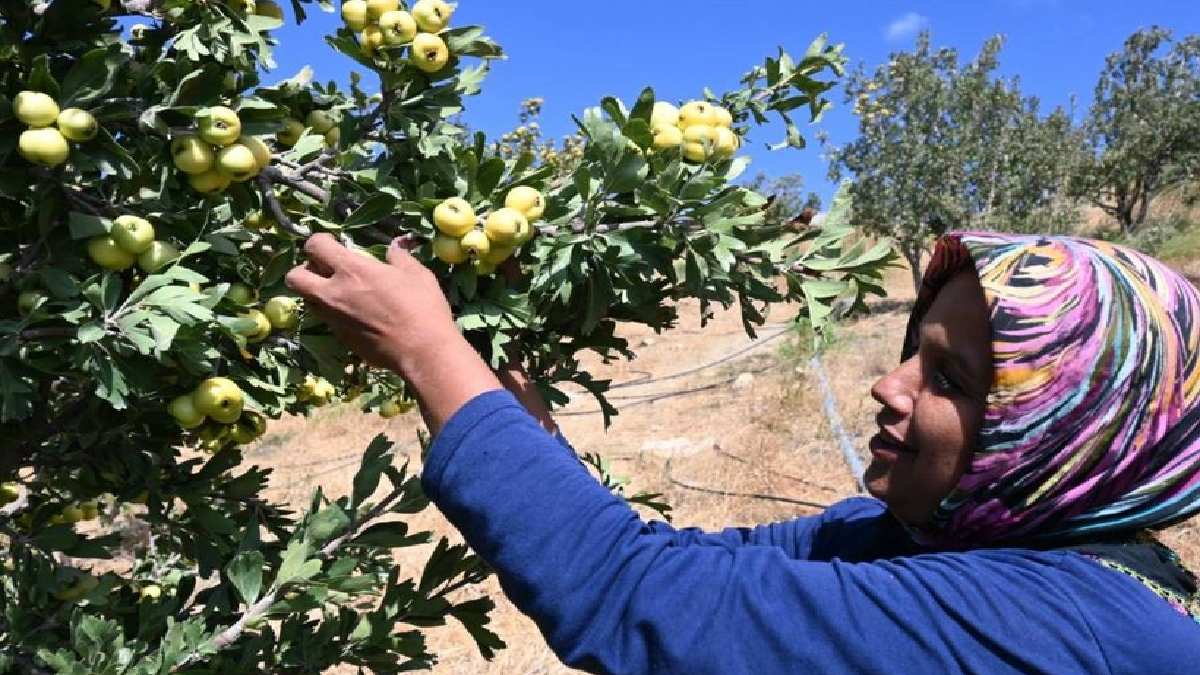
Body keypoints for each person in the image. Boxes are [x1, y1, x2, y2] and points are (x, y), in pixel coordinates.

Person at [285, 231, 1200, 674]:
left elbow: (640, 599)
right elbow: (681, 562)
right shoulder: (916, 539)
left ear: (1065, 434)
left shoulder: (1074, 628)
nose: (890, 386)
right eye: (913, 348)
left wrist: (428, 351)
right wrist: (534, 442)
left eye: (950, 380)